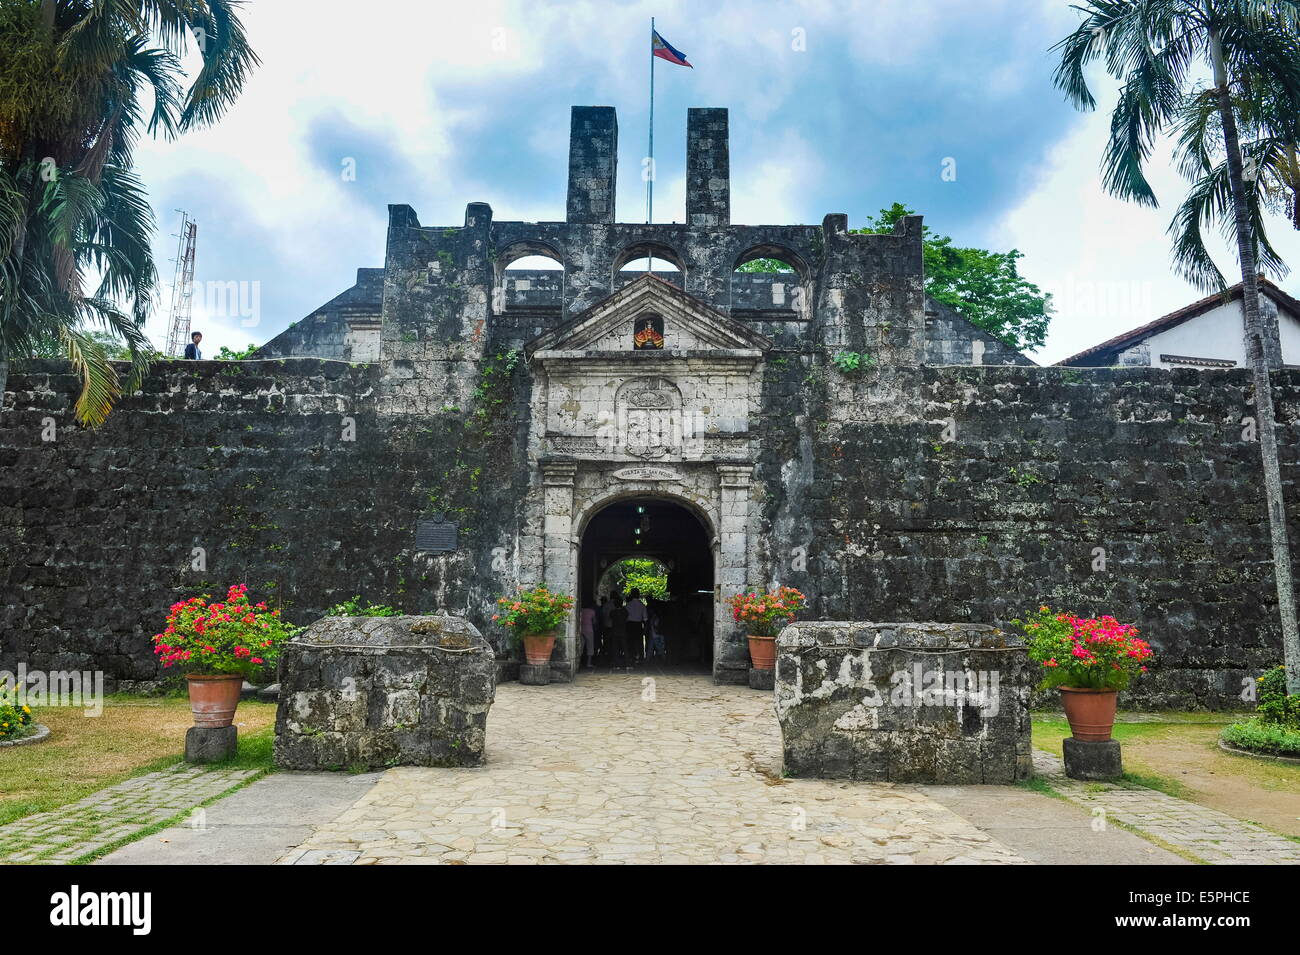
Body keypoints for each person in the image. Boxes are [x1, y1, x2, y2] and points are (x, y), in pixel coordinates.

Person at [625, 589, 647, 665]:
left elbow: (625, 617)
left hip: (630, 625)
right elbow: (645, 618)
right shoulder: (642, 605)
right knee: (639, 642)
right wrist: (645, 628)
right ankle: (641, 658)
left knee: (630, 642)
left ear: (631, 595)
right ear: (639, 595)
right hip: (638, 625)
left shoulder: (628, 605)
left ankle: (631, 657)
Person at [609, 593, 629, 671]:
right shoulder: (625, 611)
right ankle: (627, 664)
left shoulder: (612, 612)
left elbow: (610, 618)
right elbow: (627, 618)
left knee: (615, 648)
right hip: (623, 631)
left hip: (615, 631)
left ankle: (617, 664)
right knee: (625, 648)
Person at [580, 600, 596, 670]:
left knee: (581, 646)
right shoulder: (592, 611)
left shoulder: (580, 610)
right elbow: (595, 621)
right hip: (589, 630)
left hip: (581, 629)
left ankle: (579, 662)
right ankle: (588, 663)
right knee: (590, 646)